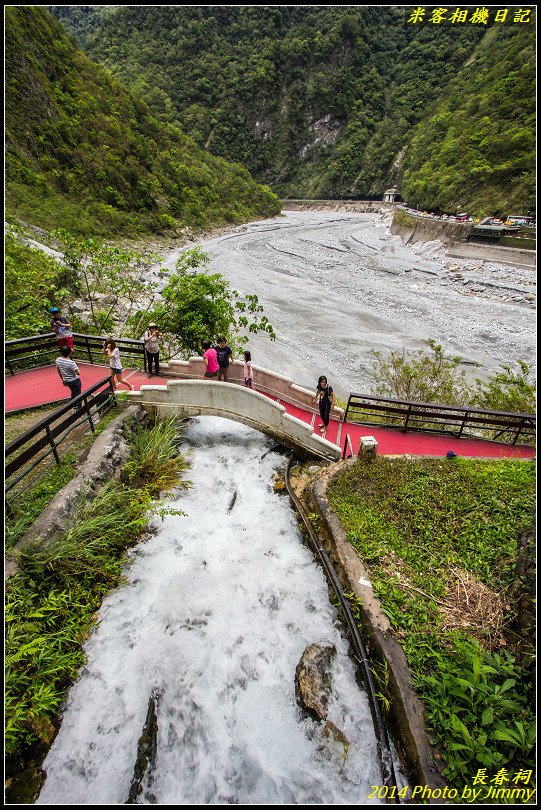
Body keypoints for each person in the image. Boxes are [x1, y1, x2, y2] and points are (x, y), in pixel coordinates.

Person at [55, 344, 82, 409]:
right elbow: (78, 373)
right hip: (75, 380)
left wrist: (63, 379)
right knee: (78, 394)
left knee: (73, 391)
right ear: (70, 352)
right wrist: (78, 369)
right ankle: (79, 408)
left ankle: (73, 405)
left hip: (67, 380)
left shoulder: (58, 360)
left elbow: (59, 371)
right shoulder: (71, 363)